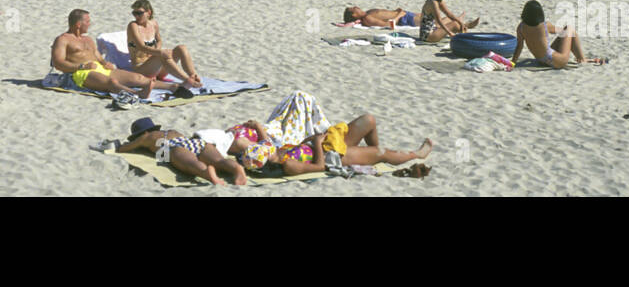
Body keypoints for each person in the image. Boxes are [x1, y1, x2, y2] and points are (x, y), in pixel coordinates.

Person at [51, 9, 177, 98]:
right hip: (81, 73)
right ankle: (136, 94)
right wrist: (81, 66)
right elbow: (58, 63)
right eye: (87, 22)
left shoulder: (88, 39)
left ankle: (172, 87)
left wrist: (106, 63)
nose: (90, 24)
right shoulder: (63, 39)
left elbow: (98, 57)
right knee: (112, 82)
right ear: (78, 24)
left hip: (100, 69)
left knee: (138, 78)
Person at [266, 115, 432, 176]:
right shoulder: (288, 164)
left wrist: (313, 139)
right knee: (380, 152)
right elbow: (319, 167)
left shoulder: (278, 153)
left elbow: (300, 147)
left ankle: (376, 157)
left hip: (328, 144)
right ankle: (417, 154)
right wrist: (317, 143)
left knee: (369, 120)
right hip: (333, 157)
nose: (267, 150)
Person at [116, 118, 248, 186]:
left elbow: (125, 148)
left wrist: (124, 146)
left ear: (143, 132)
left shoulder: (146, 137)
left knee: (190, 163)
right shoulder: (172, 131)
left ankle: (205, 172)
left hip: (175, 147)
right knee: (220, 160)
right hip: (197, 142)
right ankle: (237, 169)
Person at [126, 0, 201, 87]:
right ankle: (187, 80)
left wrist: (158, 50)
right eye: (134, 13)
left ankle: (193, 75)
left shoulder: (153, 24)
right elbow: (141, 47)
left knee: (181, 48)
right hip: (142, 69)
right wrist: (160, 52)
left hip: (158, 69)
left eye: (139, 13)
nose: (136, 16)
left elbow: (159, 40)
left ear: (148, 12)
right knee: (162, 55)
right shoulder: (133, 26)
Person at [512, 0, 603, 68]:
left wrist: (513, 63)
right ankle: (582, 59)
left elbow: (519, 47)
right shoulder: (545, 26)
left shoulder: (521, 27)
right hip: (557, 61)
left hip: (541, 61)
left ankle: (581, 58)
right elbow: (563, 32)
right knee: (569, 29)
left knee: (566, 33)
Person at [343, 6, 417, 28]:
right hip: (404, 19)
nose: (356, 6)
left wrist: (395, 11)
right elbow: (387, 25)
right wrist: (399, 15)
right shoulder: (367, 18)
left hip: (404, 15)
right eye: (353, 8)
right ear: (354, 15)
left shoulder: (368, 13)